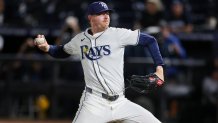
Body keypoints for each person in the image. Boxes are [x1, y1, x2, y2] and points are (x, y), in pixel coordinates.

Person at [35, 1, 164, 123]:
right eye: (101, 13)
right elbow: (61, 51)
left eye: (107, 13)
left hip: (120, 102)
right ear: (90, 17)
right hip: (93, 103)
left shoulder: (118, 34)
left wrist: (160, 69)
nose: (106, 16)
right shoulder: (79, 40)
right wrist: (47, 47)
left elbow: (150, 40)